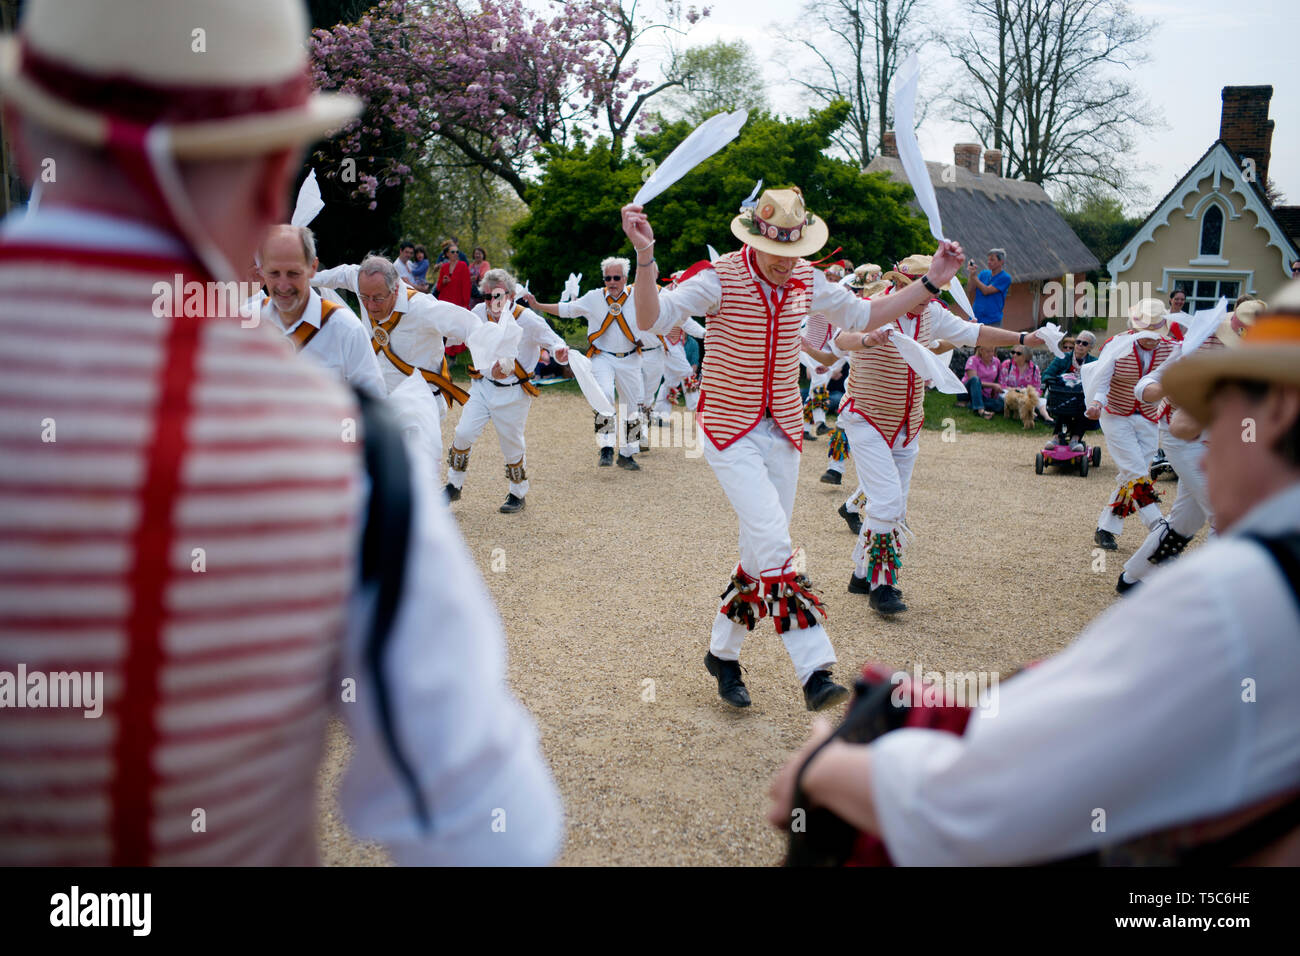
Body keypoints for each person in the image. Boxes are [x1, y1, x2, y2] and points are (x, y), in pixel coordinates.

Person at [0, 0, 561, 865]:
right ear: (271, 178)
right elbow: (490, 823)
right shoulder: (339, 458)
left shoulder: (355, 346)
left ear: (17, 127)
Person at [768, 279, 1300, 866]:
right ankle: (874, 570)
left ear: (1274, 416)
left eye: (1215, 409)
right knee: (887, 507)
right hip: (870, 418)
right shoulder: (1255, 589)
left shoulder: (1230, 600)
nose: (1192, 429)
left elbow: (987, 798)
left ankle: (873, 571)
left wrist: (823, 767)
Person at [622, 185, 971, 710]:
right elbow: (649, 319)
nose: (788, 263)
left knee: (759, 552)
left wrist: (931, 282)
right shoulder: (717, 280)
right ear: (753, 238)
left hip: (782, 427)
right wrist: (645, 256)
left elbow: (867, 315)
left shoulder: (810, 280)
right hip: (727, 426)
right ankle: (815, 669)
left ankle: (722, 654)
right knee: (775, 541)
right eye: (777, 253)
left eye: (795, 252)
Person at [831, 256, 1045, 615]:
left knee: (890, 501)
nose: (930, 297)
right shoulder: (873, 306)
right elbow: (840, 339)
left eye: (934, 290)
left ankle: (860, 573)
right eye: (925, 289)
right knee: (887, 502)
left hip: (907, 423)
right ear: (902, 285)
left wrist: (1024, 337)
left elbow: (974, 332)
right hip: (866, 415)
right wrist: (867, 339)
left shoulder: (932, 313)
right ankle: (883, 587)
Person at [1117, 298, 1266, 593]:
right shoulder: (1199, 344)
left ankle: (1132, 577)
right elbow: (1148, 384)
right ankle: (1215, 598)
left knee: (1185, 521)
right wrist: (1157, 389)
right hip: (1183, 436)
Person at [445, 269, 569, 513]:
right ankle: (453, 485)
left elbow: (554, 341)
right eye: (488, 296)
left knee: (512, 444)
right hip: (482, 386)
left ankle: (517, 492)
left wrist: (560, 352)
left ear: (512, 295)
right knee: (463, 432)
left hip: (514, 392)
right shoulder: (479, 312)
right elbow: (458, 333)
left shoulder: (528, 320)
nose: (493, 302)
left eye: (498, 295)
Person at [310, 255, 477, 413]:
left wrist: (497, 363)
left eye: (378, 298)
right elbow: (340, 274)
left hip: (421, 405)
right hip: (380, 400)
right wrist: (301, 279)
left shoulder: (423, 309)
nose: (370, 306)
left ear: (396, 289)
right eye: (364, 297)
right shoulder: (364, 281)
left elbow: (472, 327)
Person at [524, 258, 644, 469]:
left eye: (616, 277)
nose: (612, 282)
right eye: (608, 278)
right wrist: (537, 305)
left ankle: (628, 453)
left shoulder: (638, 297)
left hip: (631, 357)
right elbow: (567, 309)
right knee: (603, 394)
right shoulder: (594, 297)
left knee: (633, 406)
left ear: (625, 278)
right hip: (602, 356)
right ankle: (606, 447)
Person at [1085, 300, 1177, 550]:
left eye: (1155, 333)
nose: (1151, 339)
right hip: (1115, 412)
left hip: (1148, 414)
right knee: (1135, 469)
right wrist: (1096, 403)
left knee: (1131, 473)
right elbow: (1102, 381)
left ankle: (1106, 528)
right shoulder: (1116, 345)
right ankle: (1158, 525)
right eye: (1146, 333)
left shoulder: (1173, 348)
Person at [258, 224, 387, 400]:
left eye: (293, 273)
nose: (283, 285)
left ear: (313, 267)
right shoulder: (241, 324)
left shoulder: (347, 330)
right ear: (261, 270)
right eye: (274, 273)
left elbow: (372, 411)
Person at [1042, 330, 1098, 449]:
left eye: (1084, 343)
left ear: (1090, 347)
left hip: (1082, 397)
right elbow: (1047, 374)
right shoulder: (1063, 357)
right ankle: (1056, 438)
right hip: (1062, 395)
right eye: (1078, 342)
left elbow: (1099, 379)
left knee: (1084, 405)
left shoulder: (1094, 362)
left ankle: (1075, 439)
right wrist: (1052, 380)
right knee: (1063, 404)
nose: (1080, 345)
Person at [1001, 342, 1050, 422]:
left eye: (1018, 353)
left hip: (1026, 393)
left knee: (1041, 400)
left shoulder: (1034, 369)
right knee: (1007, 396)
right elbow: (1002, 385)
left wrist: (1028, 392)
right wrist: (1014, 389)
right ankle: (1031, 414)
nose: (1014, 355)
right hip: (1011, 393)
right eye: (1013, 352)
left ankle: (1047, 417)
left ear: (1026, 355)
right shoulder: (1007, 365)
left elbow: (1037, 388)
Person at [966, 248, 1011, 326]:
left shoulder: (1005, 277)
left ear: (1001, 262)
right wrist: (971, 274)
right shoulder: (984, 274)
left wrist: (974, 277)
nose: (989, 262)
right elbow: (970, 289)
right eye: (988, 260)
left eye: (992, 260)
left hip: (992, 320)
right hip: (976, 317)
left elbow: (986, 291)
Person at [962, 343, 1005, 419]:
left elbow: (997, 380)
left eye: (992, 351)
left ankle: (972, 404)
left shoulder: (997, 362)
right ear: (981, 351)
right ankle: (980, 410)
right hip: (967, 391)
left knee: (1002, 405)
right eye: (988, 351)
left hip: (984, 395)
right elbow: (974, 381)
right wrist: (992, 385)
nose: (991, 354)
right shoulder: (972, 360)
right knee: (976, 379)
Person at [434, 238, 472, 309]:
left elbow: (467, 286)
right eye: (453, 252)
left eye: (457, 252)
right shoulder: (444, 267)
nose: (455, 254)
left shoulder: (463, 265)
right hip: (444, 302)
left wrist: (465, 303)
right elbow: (439, 287)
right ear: (447, 254)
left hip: (458, 302)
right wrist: (443, 282)